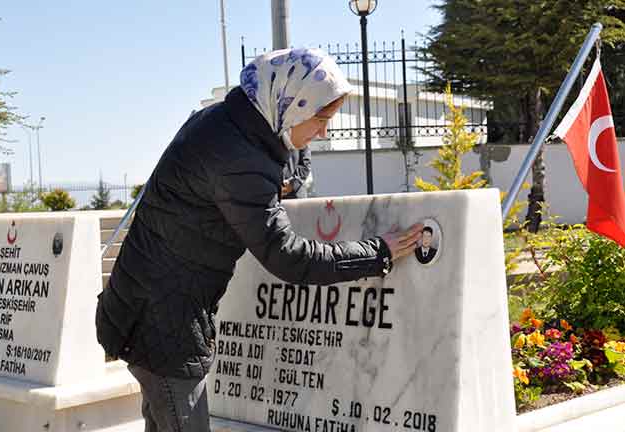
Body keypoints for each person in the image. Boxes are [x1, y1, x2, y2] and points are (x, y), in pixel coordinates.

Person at [95, 48, 423, 432]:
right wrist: (377, 252)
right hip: (165, 324)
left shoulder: (226, 125)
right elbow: (288, 256)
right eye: (321, 118)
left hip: (149, 309)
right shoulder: (237, 156)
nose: (324, 132)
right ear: (292, 103)